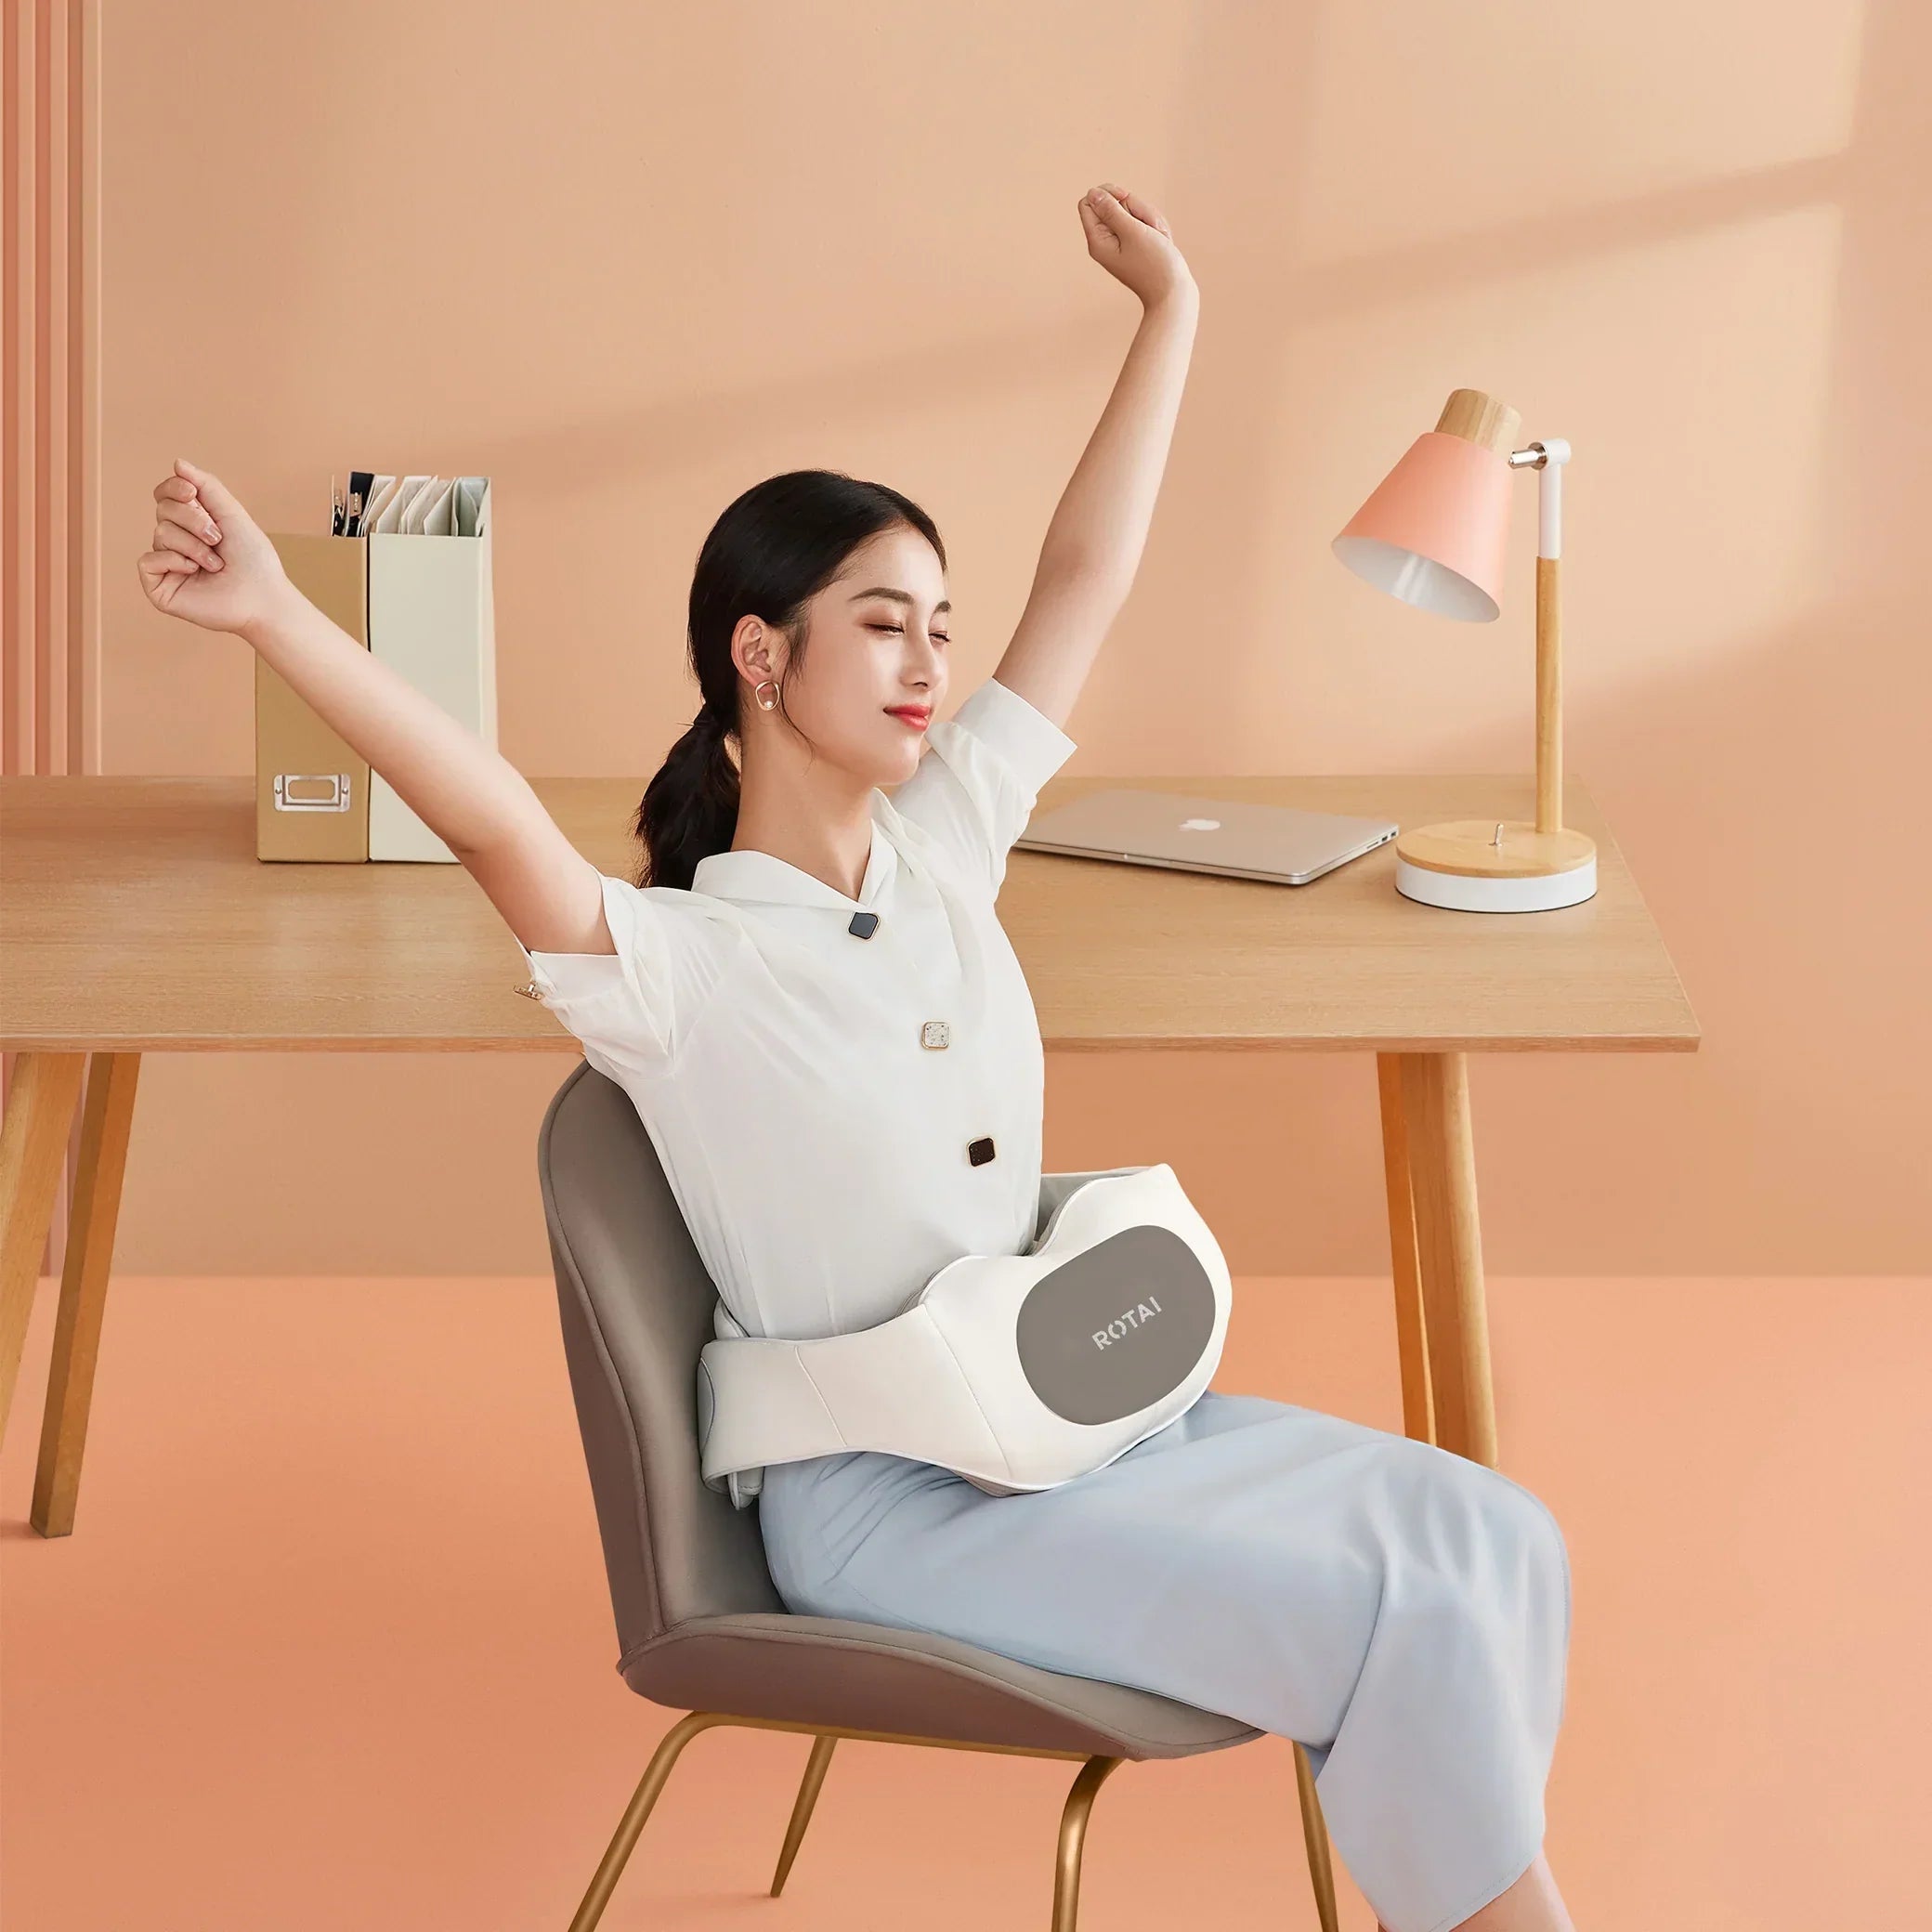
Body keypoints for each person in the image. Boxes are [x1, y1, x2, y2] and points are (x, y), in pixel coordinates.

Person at [137, 183, 1576, 1932]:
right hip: (901, 1508)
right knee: (1399, 1613)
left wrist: (1172, 315)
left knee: (1497, 1540)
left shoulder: (951, 839)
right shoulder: (675, 966)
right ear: (763, 654)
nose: (930, 662)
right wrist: (282, 618)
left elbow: (1086, 574)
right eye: (883, 620)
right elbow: (486, 811)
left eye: (938, 627)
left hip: (1085, 1418)